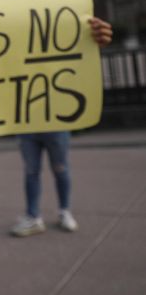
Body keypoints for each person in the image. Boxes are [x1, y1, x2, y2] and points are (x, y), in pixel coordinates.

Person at [11, 17, 114, 237]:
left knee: (60, 168)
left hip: (54, 119)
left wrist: (91, 39)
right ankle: (33, 215)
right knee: (32, 172)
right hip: (27, 120)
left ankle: (63, 211)